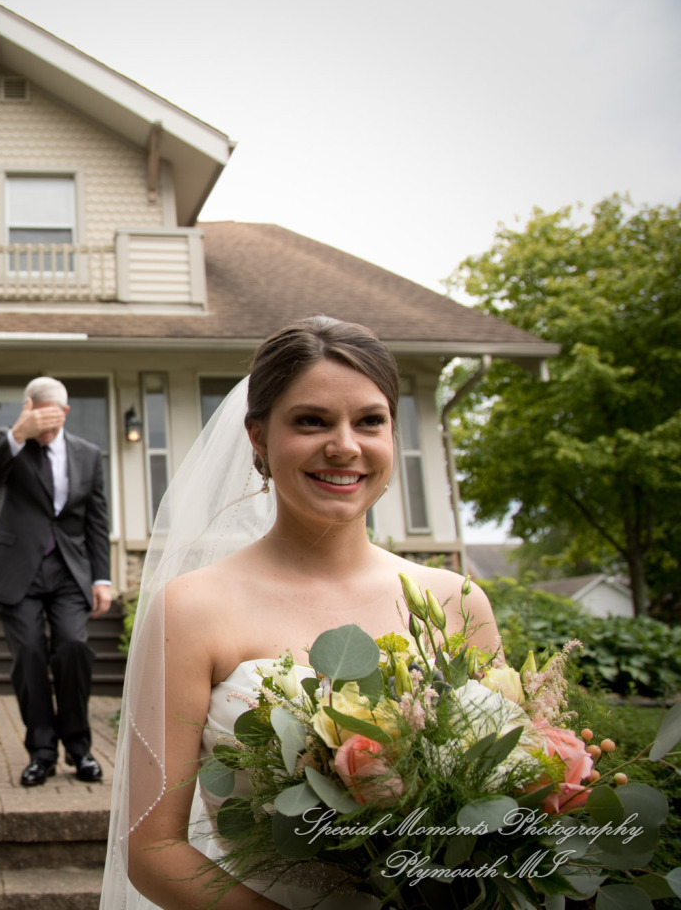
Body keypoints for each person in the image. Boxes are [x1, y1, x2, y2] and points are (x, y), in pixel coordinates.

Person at [100, 317, 502, 909]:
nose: (345, 445)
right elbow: (153, 849)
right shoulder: (192, 609)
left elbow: (507, 799)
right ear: (258, 438)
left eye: (370, 421)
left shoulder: (455, 601)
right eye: (311, 421)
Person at [0, 376, 112, 786]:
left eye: (54, 417)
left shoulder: (88, 455)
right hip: (18, 570)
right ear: (29, 408)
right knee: (30, 655)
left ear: (65, 412)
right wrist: (19, 432)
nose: (46, 426)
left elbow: (96, 520)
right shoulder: (11, 442)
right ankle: (41, 752)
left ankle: (79, 747)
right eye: (38, 415)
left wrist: (101, 577)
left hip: (69, 571)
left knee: (72, 646)